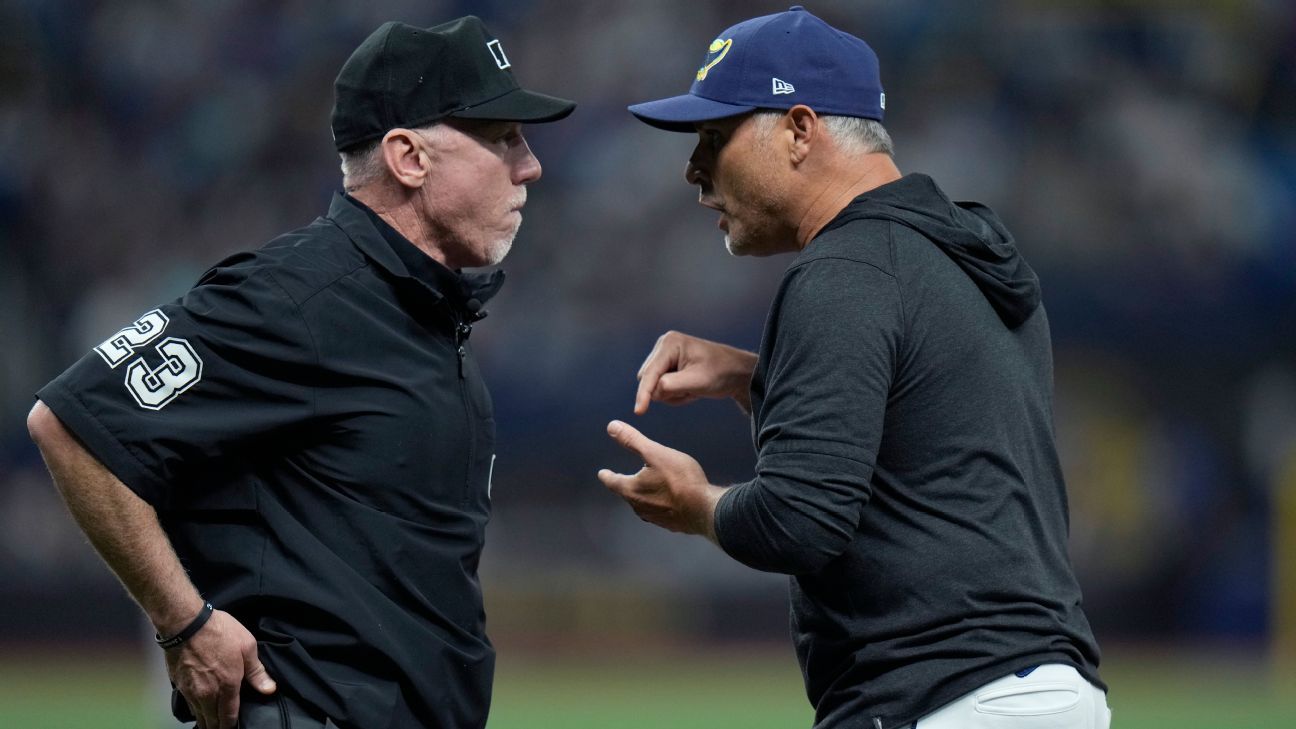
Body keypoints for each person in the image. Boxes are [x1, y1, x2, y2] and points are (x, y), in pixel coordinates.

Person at [26, 16, 573, 729]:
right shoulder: (298, 298)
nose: (529, 165)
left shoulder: (426, 313)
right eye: (502, 138)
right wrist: (184, 623)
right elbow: (71, 422)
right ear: (408, 157)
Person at [597, 7, 1109, 729]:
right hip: (1046, 688)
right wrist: (753, 373)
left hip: (948, 694)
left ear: (800, 130)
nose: (694, 170)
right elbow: (919, 412)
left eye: (715, 137)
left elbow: (799, 520)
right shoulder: (961, 249)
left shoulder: (847, 269)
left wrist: (699, 505)